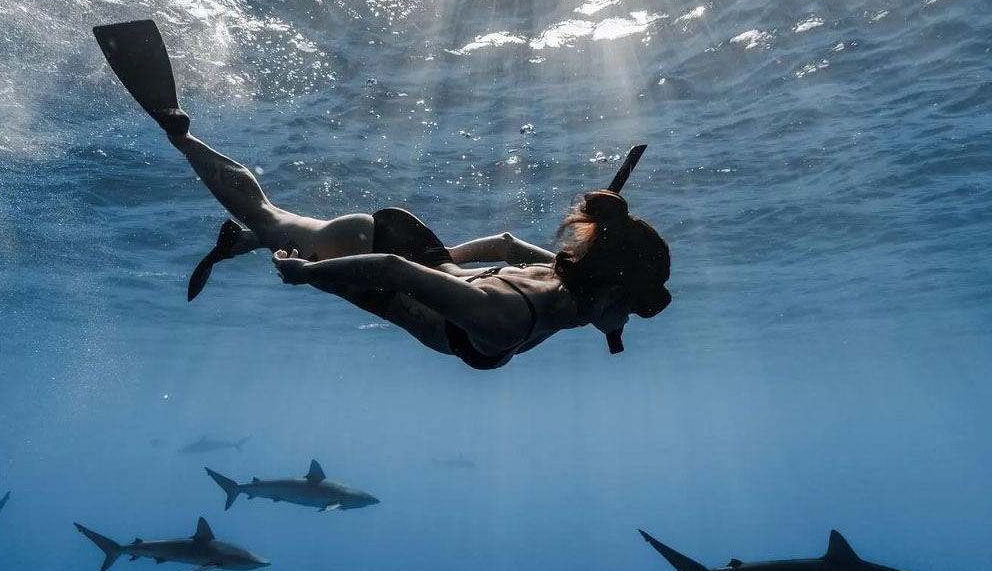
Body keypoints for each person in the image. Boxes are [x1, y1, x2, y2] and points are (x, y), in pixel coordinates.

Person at [94, 20, 671, 370]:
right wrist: (305, 277)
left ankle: (245, 240)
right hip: (381, 267)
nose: (634, 320)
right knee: (271, 218)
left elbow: (504, 243)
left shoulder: (564, 277)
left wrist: (449, 269)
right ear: (608, 289)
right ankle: (179, 132)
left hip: (418, 243)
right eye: (638, 305)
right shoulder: (503, 320)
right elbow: (394, 272)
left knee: (283, 225)